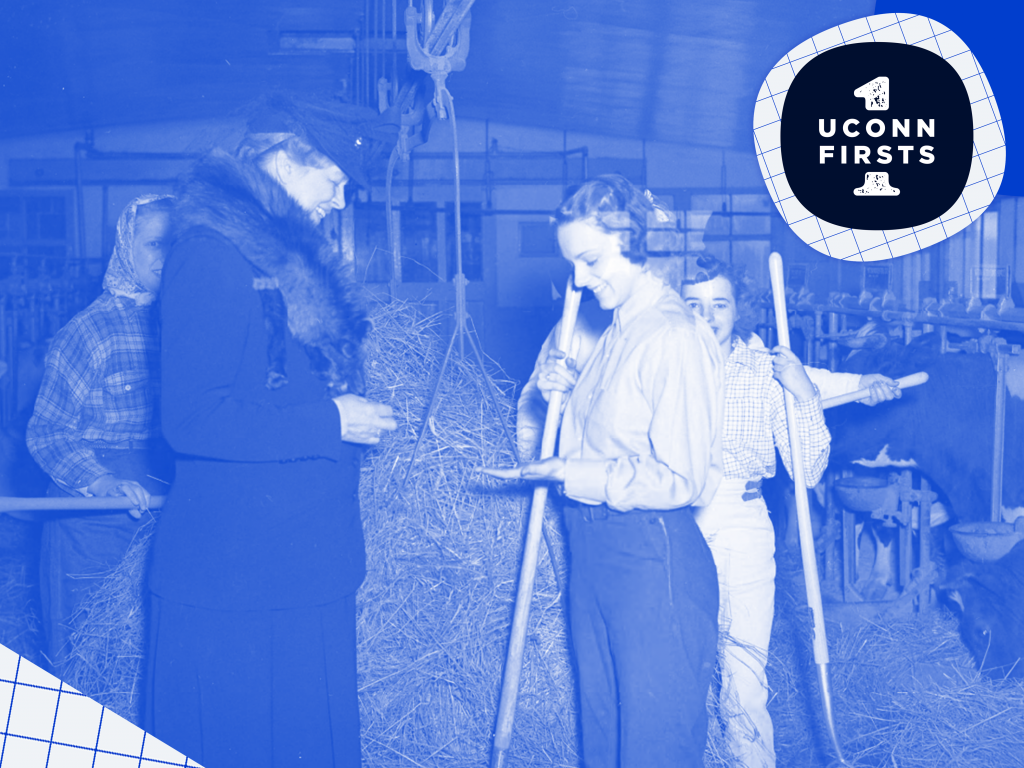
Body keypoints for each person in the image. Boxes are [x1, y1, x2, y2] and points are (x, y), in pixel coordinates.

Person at [143, 95, 397, 767]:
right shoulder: (211, 257)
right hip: (238, 583)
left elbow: (269, 388)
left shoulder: (279, 265)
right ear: (285, 158)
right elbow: (192, 417)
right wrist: (330, 419)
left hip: (294, 567)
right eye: (335, 180)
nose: (341, 201)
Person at [487, 175, 725, 768]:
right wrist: (555, 400)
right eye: (573, 264)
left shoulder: (671, 335)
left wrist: (571, 472)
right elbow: (595, 447)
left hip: (652, 559)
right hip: (593, 553)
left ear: (635, 242)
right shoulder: (613, 331)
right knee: (604, 739)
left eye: (591, 261)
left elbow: (681, 477)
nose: (580, 280)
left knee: (653, 747)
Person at [27, 194, 175, 673]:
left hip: (162, 502)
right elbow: (48, 433)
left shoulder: (186, 324)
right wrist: (104, 484)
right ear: (124, 247)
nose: (166, 256)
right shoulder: (88, 331)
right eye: (155, 243)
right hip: (94, 513)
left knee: (149, 654)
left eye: (177, 243)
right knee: (88, 657)